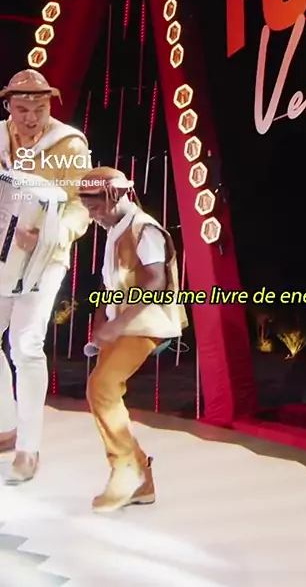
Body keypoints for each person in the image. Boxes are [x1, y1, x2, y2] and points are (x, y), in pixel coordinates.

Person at [78, 166, 188, 513]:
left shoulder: (145, 229)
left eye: (95, 206)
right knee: (101, 392)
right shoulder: (115, 229)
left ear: (115, 196)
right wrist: (102, 320)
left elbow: (155, 281)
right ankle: (140, 475)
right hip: (122, 323)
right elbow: (111, 283)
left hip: (144, 323)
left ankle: (127, 469)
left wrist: (118, 324)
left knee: (102, 388)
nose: (92, 215)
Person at [0, 69, 91, 483]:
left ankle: (28, 448)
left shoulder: (69, 144)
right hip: (3, 253)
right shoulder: (1, 138)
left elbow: (80, 204)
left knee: (26, 344)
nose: (32, 118)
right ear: (9, 107)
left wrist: (54, 233)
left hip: (45, 257)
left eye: (39, 108)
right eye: (23, 109)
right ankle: (7, 424)